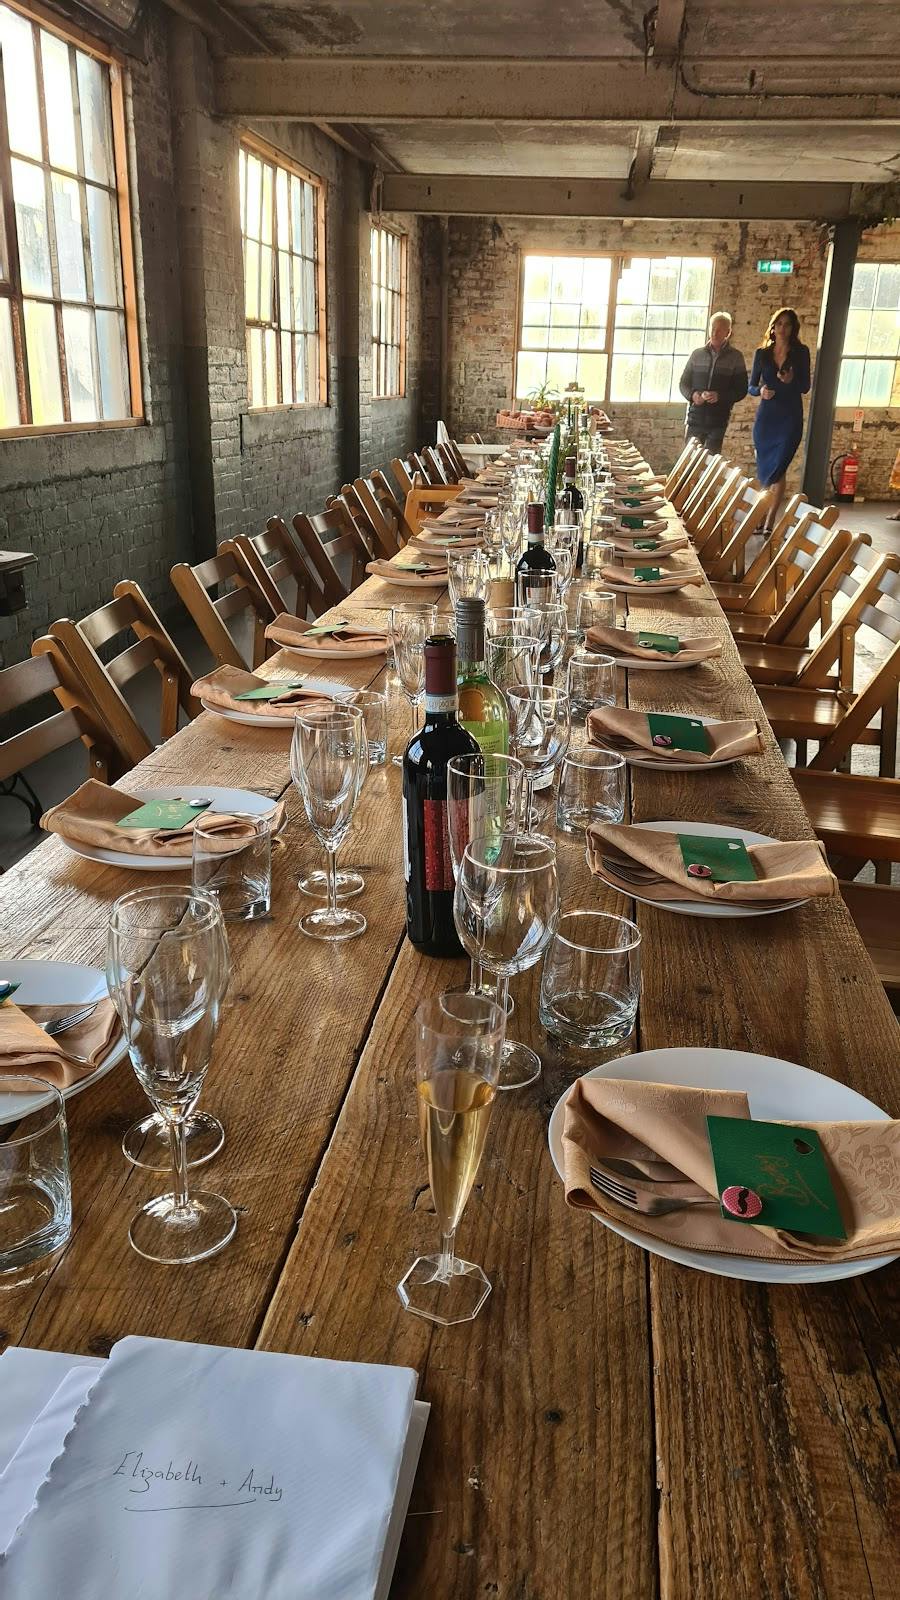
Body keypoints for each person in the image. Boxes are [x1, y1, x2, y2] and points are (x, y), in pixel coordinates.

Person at [748, 307, 811, 534]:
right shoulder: (762, 354)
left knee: (779, 467)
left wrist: (792, 379)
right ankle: (761, 514)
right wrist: (761, 390)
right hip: (767, 417)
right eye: (779, 324)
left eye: (788, 324)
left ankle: (769, 519)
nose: (783, 328)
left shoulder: (801, 352)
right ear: (773, 327)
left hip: (790, 417)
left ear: (793, 329)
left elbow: (805, 387)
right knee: (767, 470)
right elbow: (751, 386)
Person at [678, 312, 748, 455]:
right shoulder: (696, 354)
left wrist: (720, 396)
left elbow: (741, 389)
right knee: (688, 462)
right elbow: (683, 383)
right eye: (713, 328)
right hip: (695, 419)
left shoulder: (736, 357)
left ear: (727, 332)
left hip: (718, 420)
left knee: (710, 465)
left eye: (719, 329)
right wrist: (693, 395)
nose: (715, 333)